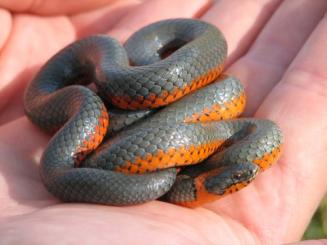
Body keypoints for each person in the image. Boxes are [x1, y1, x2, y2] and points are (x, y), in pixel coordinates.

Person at [0, 0, 326, 244]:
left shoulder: (201, 156)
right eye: (239, 180)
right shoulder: (94, 103)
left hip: (166, 126)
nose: (248, 174)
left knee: (125, 75)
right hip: (114, 100)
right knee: (98, 88)